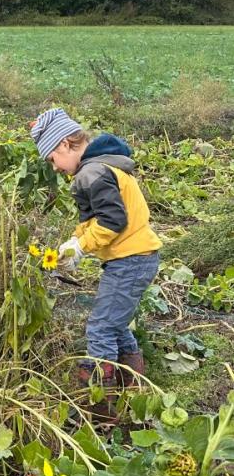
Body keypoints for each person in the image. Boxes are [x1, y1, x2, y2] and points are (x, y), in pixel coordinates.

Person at [30, 108, 161, 422]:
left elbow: (113, 222)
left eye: (52, 159)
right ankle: (133, 388)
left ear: (65, 144)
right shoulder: (100, 166)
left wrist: (82, 246)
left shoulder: (93, 172)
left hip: (131, 260)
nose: (54, 167)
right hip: (135, 258)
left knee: (100, 328)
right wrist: (75, 243)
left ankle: (100, 409)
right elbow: (93, 220)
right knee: (114, 325)